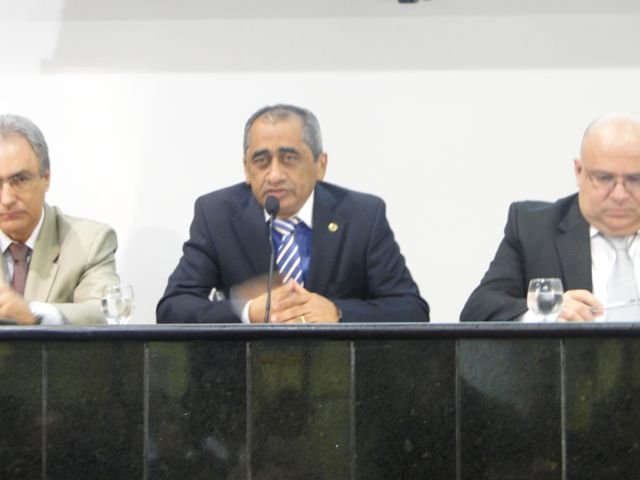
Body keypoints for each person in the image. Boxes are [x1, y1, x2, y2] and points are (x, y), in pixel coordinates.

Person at [157, 104, 428, 324]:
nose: (274, 174)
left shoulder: (362, 216)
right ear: (247, 170)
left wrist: (337, 312)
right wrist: (247, 312)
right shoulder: (216, 215)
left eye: (289, 159)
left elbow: (411, 309)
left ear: (320, 165)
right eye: (261, 161)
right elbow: (173, 308)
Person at [460, 112, 640, 322]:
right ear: (579, 171)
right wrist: (545, 312)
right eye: (604, 178)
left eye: (635, 179)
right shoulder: (533, 229)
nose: (619, 195)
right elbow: (478, 312)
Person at [0, 114, 119, 325]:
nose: (7, 199)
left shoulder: (89, 243)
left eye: (20, 179)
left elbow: (105, 312)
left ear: (46, 178)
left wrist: (34, 315)